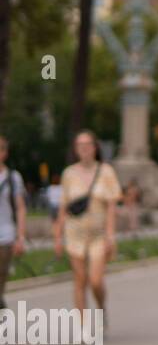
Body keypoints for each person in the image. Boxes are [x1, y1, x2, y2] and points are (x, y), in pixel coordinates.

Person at [52, 130, 123, 329]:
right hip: (74, 233)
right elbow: (63, 207)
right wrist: (57, 236)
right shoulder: (68, 174)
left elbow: (111, 206)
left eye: (87, 144)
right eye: (79, 145)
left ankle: (101, 308)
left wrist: (111, 235)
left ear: (94, 147)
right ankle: (82, 326)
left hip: (98, 235)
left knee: (95, 280)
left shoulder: (106, 171)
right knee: (79, 280)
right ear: (76, 149)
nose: (83, 149)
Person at [0, 135, 29, 310]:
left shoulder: (13, 177)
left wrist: (21, 237)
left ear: (5, 153)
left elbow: (20, 208)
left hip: (5, 235)